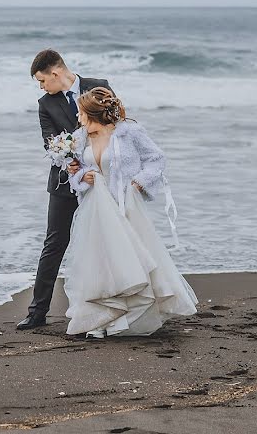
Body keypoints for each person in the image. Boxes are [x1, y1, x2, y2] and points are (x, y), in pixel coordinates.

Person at [63, 87, 197, 337]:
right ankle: (101, 320)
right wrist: (83, 176)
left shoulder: (128, 132)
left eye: (81, 113)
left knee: (133, 262)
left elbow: (156, 159)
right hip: (97, 209)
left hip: (126, 206)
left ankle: (129, 321)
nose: (78, 118)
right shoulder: (79, 138)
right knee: (100, 262)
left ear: (93, 113)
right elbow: (75, 173)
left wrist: (138, 183)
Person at [17, 49, 112, 330]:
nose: (42, 87)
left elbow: (113, 128)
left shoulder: (100, 86)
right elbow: (49, 143)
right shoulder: (45, 104)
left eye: (42, 81)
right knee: (55, 243)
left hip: (100, 177)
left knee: (109, 238)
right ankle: (37, 312)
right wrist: (69, 161)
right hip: (63, 182)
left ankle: (112, 304)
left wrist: (93, 163)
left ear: (55, 73)